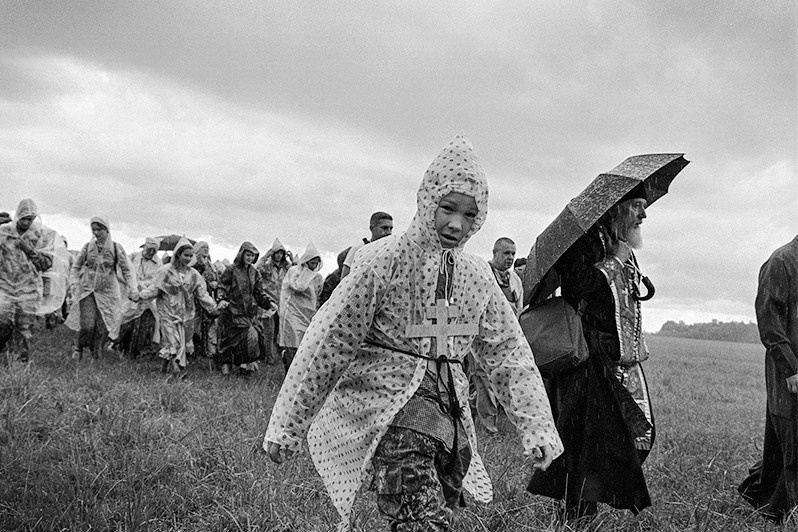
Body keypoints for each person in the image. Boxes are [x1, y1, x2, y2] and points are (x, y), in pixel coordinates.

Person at [264, 135, 562, 532]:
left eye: (470, 215)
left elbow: (508, 352)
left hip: (450, 422)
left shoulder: (477, 276)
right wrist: (288, 423)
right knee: (423, 524)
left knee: (441, 514)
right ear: (427, 201)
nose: (456, 224)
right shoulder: (383, 261)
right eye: (448, 208)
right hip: (393, 414)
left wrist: (536, 425)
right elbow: (330, 342)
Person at [526, 184, 655, 520]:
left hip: (611, 357)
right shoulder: (583, 242)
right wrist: (614, 262)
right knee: (585, 443)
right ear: (616, 208)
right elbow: (579, 286)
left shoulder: (617, 241)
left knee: (616, 436)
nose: (644, 214)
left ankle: (583, 511)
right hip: (584, 358)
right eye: (637, 206)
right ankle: (577, 516)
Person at [738, 234, 798, 524]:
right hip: (789, 371)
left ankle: (770, 503)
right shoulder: (782, 261)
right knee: (793, 443)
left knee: (781, 446)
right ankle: (782, 512)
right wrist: (791, 369)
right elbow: (769, 320)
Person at [136, 237, 219, 377]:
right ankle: (178, 372)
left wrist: (213, 306)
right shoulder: (165, 271)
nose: (187, 258)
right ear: (178, 255)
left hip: (186, 314)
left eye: (190, 256)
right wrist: (140, 296)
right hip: (167, 311)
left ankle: (163, 370)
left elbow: (202, 294)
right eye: (185, 255)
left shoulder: (194, 275)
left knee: (179, 343)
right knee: (172, 340)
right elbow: (155, 289)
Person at [469, 237, 524, 434]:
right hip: (483, 338)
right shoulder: (483, 274)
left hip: (506, 339)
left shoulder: (514, 280)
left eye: (513, 254)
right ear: (495, 253)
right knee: (483, 379)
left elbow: (518, 309)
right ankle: (488, 424)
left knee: (503, 379)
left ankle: (476, 409)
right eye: (506, 253)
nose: (510, 258)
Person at [66, 216, 137, 360]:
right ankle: (79, 346)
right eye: (94, 230)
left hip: (108, 292)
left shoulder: (116, 248)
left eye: (99, 230)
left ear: (107, 230)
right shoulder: (87, 247)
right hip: (88, 290)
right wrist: (73, 284)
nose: (96, 233)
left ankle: (95, 351)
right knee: (87, 324)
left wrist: (132, 288)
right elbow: (76, 267)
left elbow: (127, 270)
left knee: (102, 325)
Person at [0, 199, 55, 362]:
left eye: (30, 219)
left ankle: (19, 361)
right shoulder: (3, 233)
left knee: (24, 326)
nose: (26, 222)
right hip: (4, 286)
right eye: (23, 218)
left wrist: (29, 250)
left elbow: (46, 264)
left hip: (28, 289)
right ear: (17, 215)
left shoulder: (40, 236)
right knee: (3, 321)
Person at [216, 241, 273, 376]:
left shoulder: (255, 273)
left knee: (250, 337)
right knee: (229, 341)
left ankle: (245, 366)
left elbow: (258, 293)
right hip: (231, 312)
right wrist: (222, 299)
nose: (250, 258)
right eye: (248, 255)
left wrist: (269, 303)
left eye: (253, 256)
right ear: (241, 254)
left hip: (248, 313)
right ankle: (226, 366)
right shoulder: (231, 269)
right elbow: (222, 286)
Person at [277, 242, 323, 371]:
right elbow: (297, 286)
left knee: (304, 345)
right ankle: (289, 371)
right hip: (292, 313)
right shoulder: (294, 272)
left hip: (308, 314)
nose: (313, 266)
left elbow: (318, 295)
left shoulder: (317, 277)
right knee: (292, 342)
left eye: (315, 263)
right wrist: (306, 274)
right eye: (311, 263)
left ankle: (298, 372)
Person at [117, 237, 162, 358]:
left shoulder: (158, 263)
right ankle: (121, 346)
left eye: (154, 250)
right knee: (126, 320)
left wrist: (145, 286)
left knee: (146, 323)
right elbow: (122, 273)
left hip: (148, 297)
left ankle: (140, 350)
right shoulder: (132, 257)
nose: (152, 252)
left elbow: (158, 279)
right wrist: (134, 285)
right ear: (144, 247)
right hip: (130, 294)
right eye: (149, 249)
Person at [256, 238, 294, 363]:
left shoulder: (285, 268)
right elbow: (256, 269)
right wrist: (266, 255)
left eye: (281, 253)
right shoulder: (267, 267)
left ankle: (279, 355)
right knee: (268, 332)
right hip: (268, 303)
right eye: (276, 253)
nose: (278, 255)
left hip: (281, 303)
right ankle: (268, 358)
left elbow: (297, 272)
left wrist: (293, 260)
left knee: (280, 332)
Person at [340, 211, 393, 278]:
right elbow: (344, 278)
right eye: (384, 228)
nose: (389, 232)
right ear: (372, 228)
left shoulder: (391, 251)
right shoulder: (358, 249)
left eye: (391, 228)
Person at [190, 241, 220, 360]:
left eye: (207, 247)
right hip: (196, 299)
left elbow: (217, 277)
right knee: (196, 325)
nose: (206, 249)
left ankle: (206, 350)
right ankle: (195, 351)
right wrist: (208, 283)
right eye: (203, 247)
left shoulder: (210, 263)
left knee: (208, 324)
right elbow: (195, 280)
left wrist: (216, 284)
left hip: (209, 297)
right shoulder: (194, 263)